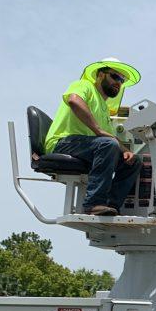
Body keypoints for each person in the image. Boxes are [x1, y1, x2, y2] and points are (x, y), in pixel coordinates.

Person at [44, 58, 143, 216]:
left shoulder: (103, 108)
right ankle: (93, 204)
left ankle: (111, 206)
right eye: (115, 77)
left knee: (133, 162)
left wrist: (126, 151)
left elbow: (109, 136)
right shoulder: (84, 85)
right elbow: (74, 100)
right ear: (100, 75)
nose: (119, 82)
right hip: (63, 142)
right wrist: (98, 130)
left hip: (87, 147)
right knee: (107, 144)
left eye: (122, 80)